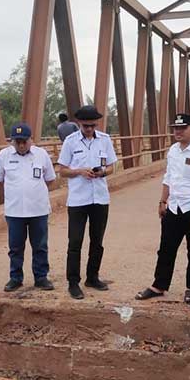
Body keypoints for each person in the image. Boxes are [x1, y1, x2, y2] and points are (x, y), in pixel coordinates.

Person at [135, 113, 190, 305]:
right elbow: (168, 178)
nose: (177, 132)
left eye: (182, 128)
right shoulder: (173, 150)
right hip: (174, 206)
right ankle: (159, 285)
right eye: (175, 128)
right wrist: (163, 201)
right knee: (166, 248)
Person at [57, 105, 118, 300]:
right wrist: (80, 171)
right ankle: (73, 282)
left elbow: (111, 166)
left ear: (96, 124)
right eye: (85, 126)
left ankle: (92, 277)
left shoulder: (105, 140)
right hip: (78, 199)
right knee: (75, 242)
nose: (89, 129)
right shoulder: (70, 142)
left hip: (99, 197)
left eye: (92, 126)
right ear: (79, 124)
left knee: (97, 241)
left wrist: (103, 172)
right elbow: (63, 170)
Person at [0, 123, 57, 292]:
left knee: (40, 245)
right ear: (12, 141)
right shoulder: (3, 156)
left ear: (31, 140)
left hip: (38, 210)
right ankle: (15, 278)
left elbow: (50, 179)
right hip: (14, 211)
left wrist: (33, 192)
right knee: (15, 247)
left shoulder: (41, 155)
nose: (21, 145)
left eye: (24, 141)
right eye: (17, 141)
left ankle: (41, 277)